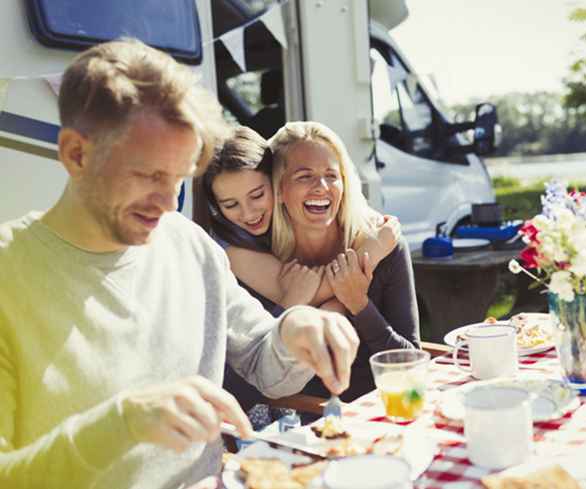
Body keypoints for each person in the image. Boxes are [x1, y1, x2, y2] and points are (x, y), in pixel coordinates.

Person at [0, 39, 358, 489]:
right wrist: (124, 423)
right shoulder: (9, 274)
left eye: (179, 178)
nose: (168, 203)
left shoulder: (190, 246)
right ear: (76, 154)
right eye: (149, 176)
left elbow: (267, 365)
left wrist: (294, 329)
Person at [201, 126, 403, 409]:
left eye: (257, 195)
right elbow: (329, 286)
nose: (248, 213)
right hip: (274, 408)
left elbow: (408, 358)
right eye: (230, 204)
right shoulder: (231, 249)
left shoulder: (364, 232)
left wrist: (351, 299)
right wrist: (370, 253)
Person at [267, 121, 420, 401]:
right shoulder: (267, 259)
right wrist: (290, 304)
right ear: (279, 191)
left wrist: (359, 305)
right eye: (304, 176)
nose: (321, 187)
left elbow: (409, 363)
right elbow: (259, 363)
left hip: (378, 415)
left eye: (331, 175)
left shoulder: (385, 246)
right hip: (299, 420)